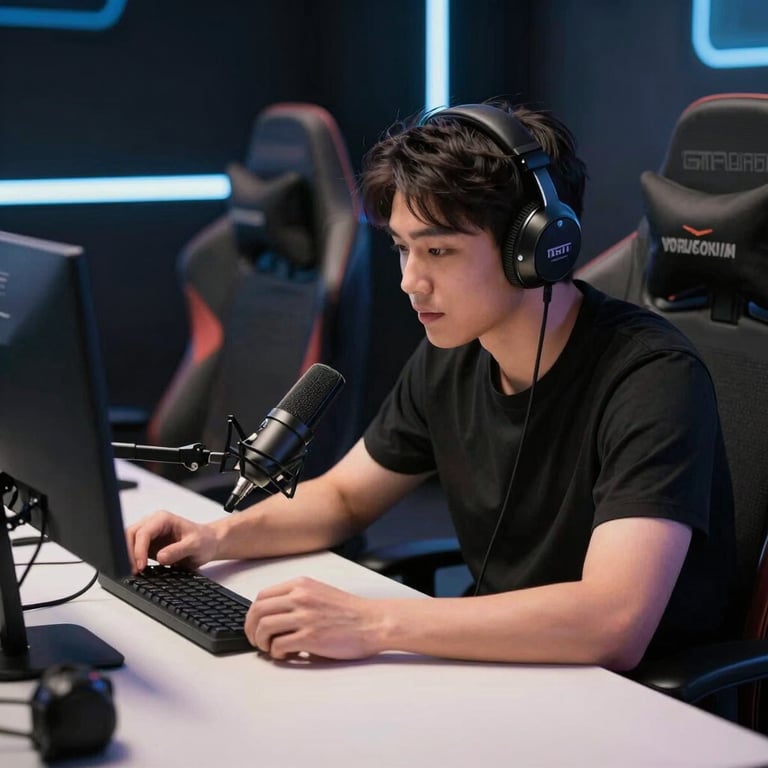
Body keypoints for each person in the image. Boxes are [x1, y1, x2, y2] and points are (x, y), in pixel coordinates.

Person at [127, 99, 739, 671]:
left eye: (439, 251)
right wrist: (215, 536)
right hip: (502, 668)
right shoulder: (452, 353)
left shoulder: (651, 376)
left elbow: (614, 621)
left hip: (630, 707)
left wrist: (373, 622)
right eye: (401, 249)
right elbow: (345, 498)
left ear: (536, 248)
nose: (409, 282)